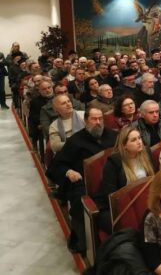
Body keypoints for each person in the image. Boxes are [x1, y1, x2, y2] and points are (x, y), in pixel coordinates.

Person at [46, 107, 118, 253]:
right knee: (79, 202)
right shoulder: (75, 140)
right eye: (94, 119)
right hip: (83, 181)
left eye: (100, 119)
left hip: (112, 178)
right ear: (86, 121)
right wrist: (69, 172)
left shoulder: (114, 135)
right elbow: (57, 165)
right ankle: (83, 241)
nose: (98, 122)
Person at [94, 126, 154, 234]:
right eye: (134, 140)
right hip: (119, 206)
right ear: (124, 145)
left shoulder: (146, 153)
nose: (139, 142)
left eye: (139, 138)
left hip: (142, 200)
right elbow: (112, 195)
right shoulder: (114, 162)